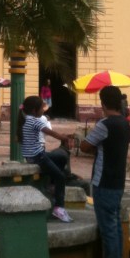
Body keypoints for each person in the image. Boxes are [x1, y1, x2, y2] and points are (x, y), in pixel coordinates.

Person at [80, 84, 129, 258]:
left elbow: (84, 146)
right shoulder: (124, 122)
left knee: (107, 228)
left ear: (103, 103)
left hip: (104, 180)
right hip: (118, 180)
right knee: (115, 225)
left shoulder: (104, 124)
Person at [16, 94, 75, 223]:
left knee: (61, 157)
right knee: (61, 176)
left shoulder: (26, 120)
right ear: (34, 110)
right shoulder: (35, 121)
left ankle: (50, 184)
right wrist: (65, 138)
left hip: (32, 156)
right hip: (38, 157)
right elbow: (51, 132)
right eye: (42, 108)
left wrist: (65, 136)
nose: (44, 110)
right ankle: (59, 208)